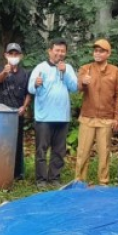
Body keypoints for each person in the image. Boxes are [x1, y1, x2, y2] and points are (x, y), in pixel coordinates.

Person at [28, 39, 78, 188]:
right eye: (57, 50)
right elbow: (30, 89)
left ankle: (54, 177)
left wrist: (65, 73)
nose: (59, 53)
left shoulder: (67, 68)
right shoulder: (40, 68)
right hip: (44, 116)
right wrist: (35, 84)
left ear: (66, 53)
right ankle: (41, 179)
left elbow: (74, 87)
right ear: (50, 51)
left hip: (62, 116)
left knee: (59, 150)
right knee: (41, 149)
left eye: (62, 51)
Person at [75, 39, 118, 186]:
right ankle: (79, 182)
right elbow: (78, 89)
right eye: (96, 50)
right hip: (87, 117)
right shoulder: (85, 68)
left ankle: (103, 183)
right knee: (82, 152)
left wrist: (117, 118)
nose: (97, 53)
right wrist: (83, 82)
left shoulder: (115, 72)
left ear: (108, 53)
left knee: (104, 153)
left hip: (106, 119)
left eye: (101, 51)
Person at [0, 42, 32, 181]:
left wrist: (24, 106)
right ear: (6, 55)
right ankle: (0, 169)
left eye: (16, 54)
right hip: (2, 113)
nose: (13, 56)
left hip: (18, 113)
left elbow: (29, 93)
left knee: (17, 142)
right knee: (1, 141)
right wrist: (5, 71)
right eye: (11, 54)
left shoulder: (25, 74)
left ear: (21, 56)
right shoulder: (1, 68)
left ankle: (17, 173)